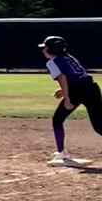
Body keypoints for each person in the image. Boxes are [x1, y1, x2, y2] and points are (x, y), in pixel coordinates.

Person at [43, 35, 102, 168]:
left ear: (52, 49)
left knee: (57, 119)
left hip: (78, 91)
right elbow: (78, 76)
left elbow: (62, 78)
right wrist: (64, 91)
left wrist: (67, 98)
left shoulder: (52, 62)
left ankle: (61, 152)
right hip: (92, 88)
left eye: (46, 48)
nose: (43, 50)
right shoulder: (68, 57)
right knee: (99, 124)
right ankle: (61, 152)